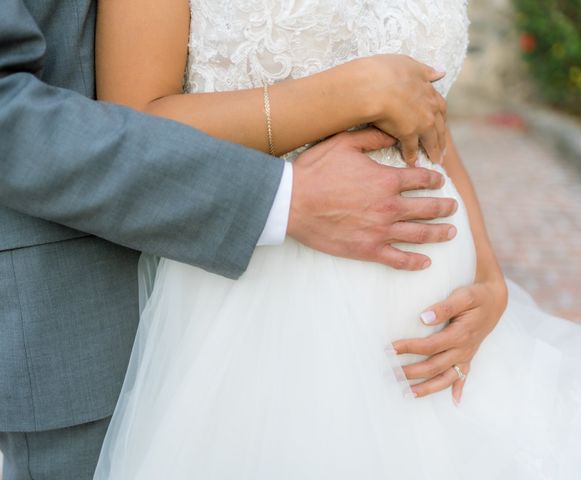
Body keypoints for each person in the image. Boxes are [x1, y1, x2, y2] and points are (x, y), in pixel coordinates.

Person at [92, 1, 581, 479]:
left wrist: (490, 279)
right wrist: (351, 93)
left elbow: (428, 125)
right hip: (263, 324)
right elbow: (129, 125)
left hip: (443, 341)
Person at [0, 1, 460, 479]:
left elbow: (426, 105)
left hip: (429, 309)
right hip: (195, 304)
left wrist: (486, 273)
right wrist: (287, 192)